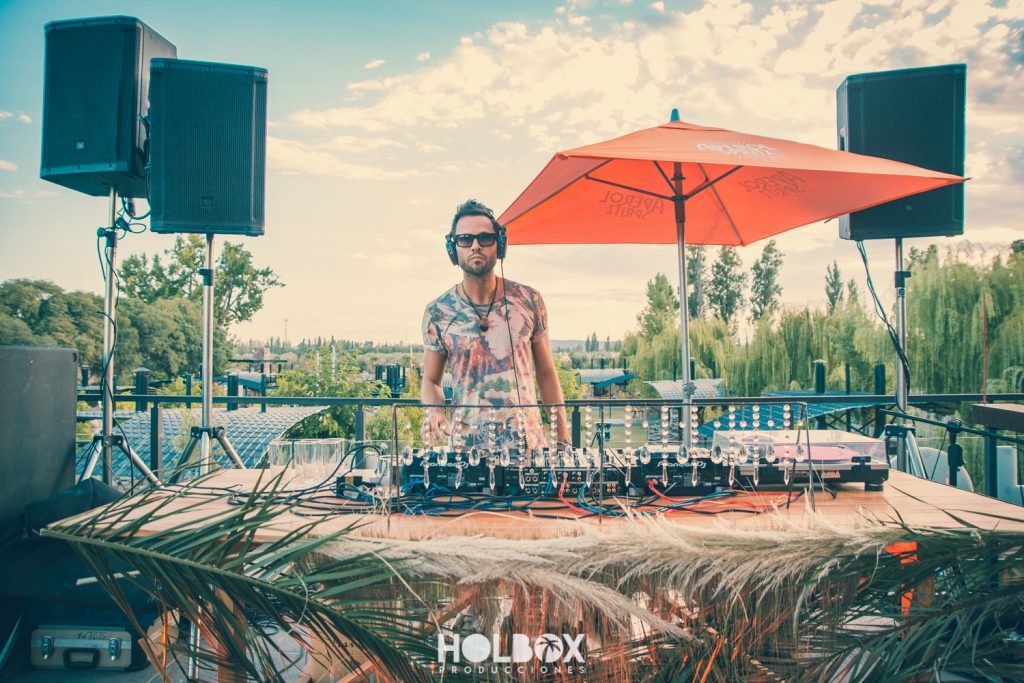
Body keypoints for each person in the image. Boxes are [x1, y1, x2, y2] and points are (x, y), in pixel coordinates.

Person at [420, 199, 570, 453]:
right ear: (453, 249)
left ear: (499, 245)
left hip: (528, 448)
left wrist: (563, 437)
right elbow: (431, 380)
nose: (475, 246)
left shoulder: (529, 300)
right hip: (467, 453)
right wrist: (435, 411)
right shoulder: (438, 312)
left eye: (485, 238)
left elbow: (546, 373)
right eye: (465, 239)